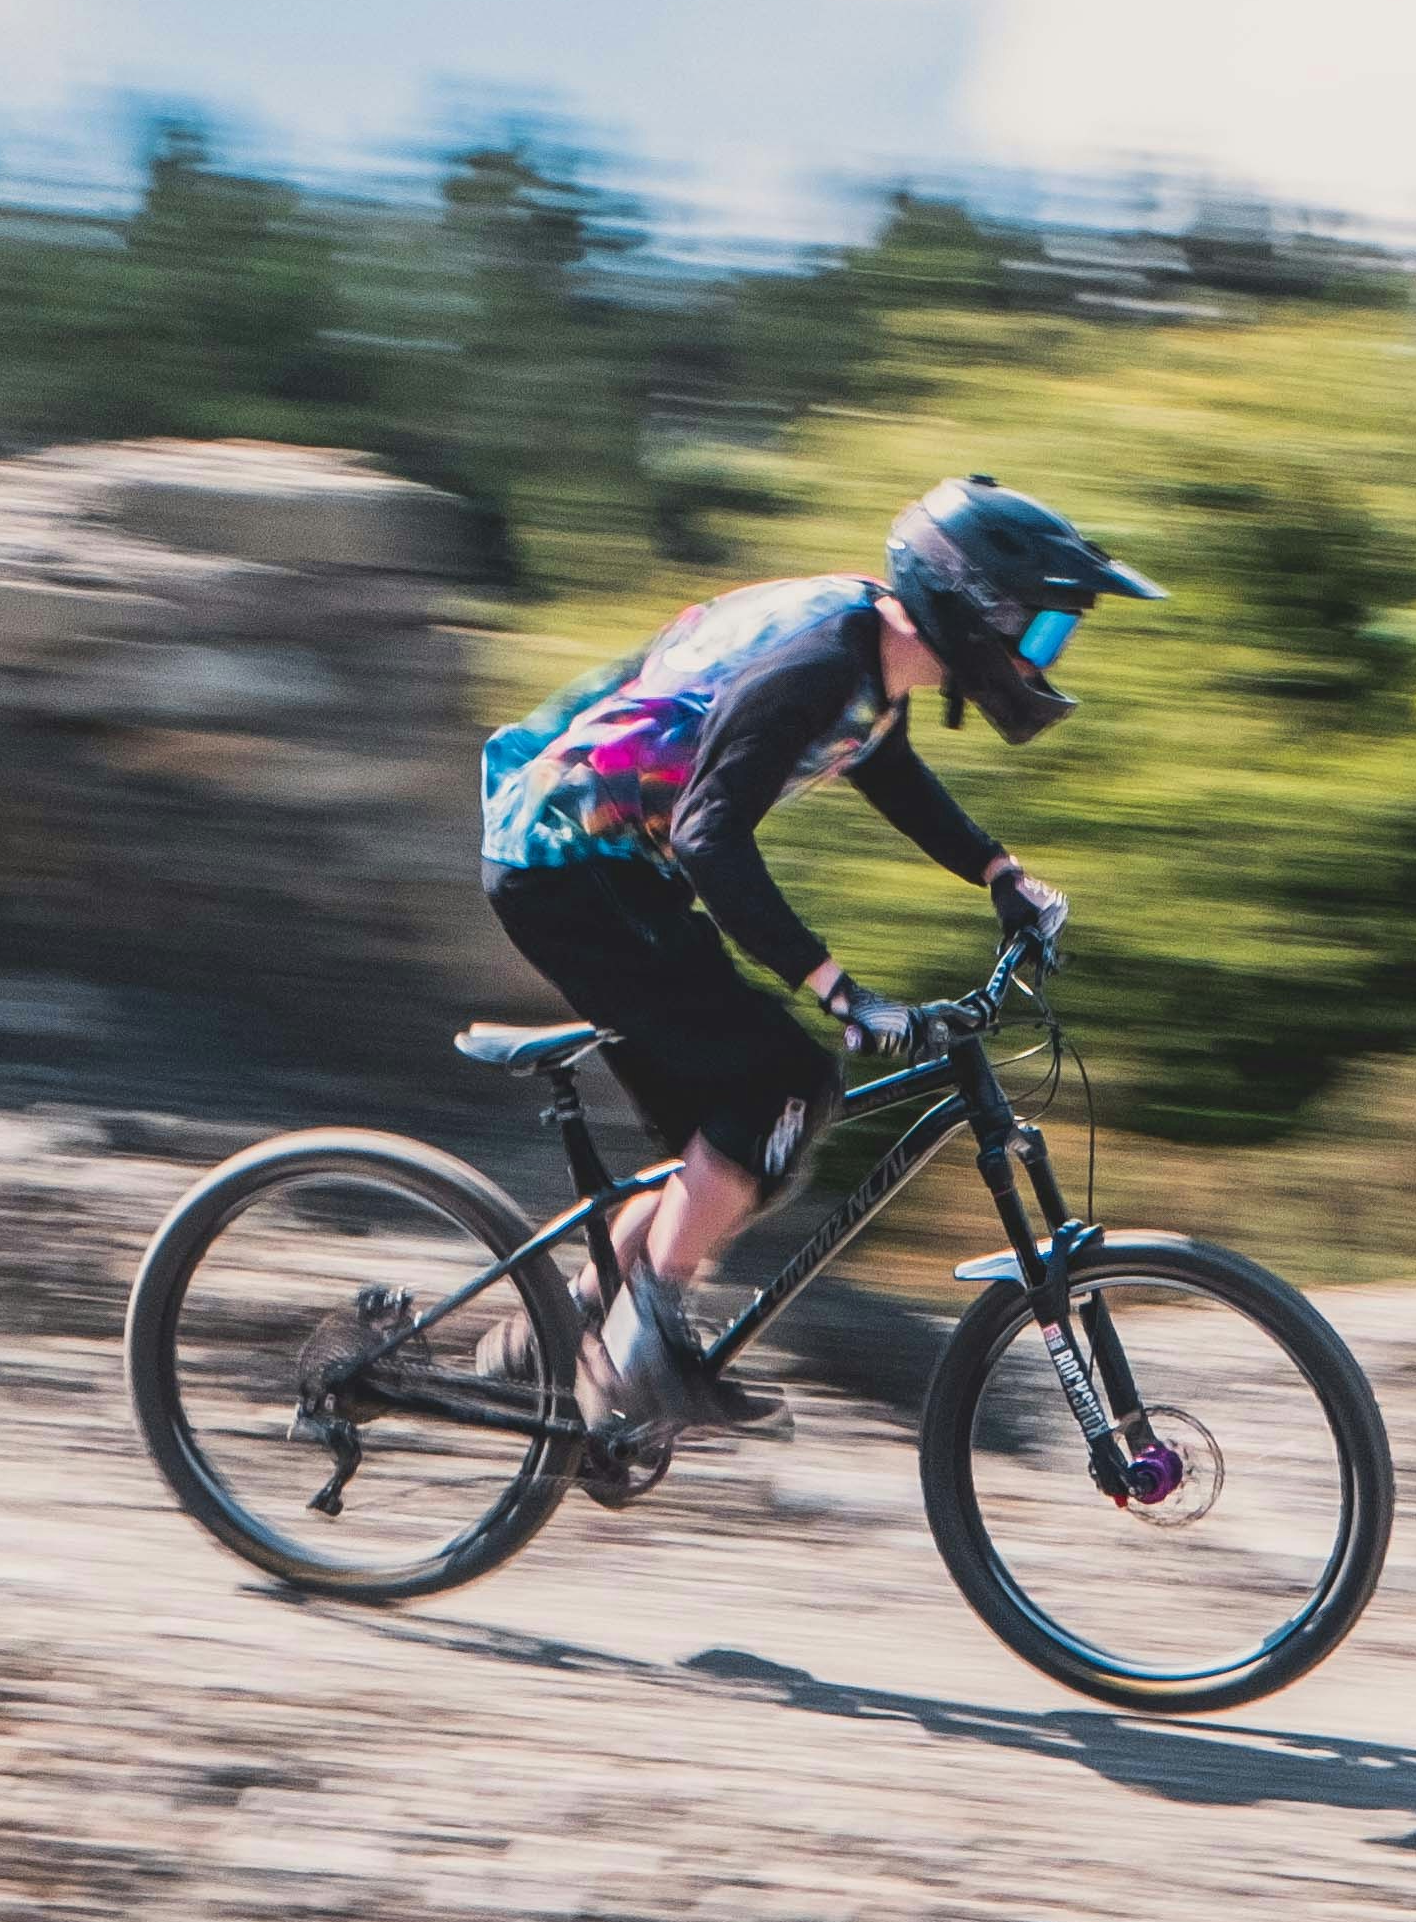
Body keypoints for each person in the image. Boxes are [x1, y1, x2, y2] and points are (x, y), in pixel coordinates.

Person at [475, 475, 1159, 1448]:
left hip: (616, 866)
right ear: (973, 607)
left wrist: (999, 873)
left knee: (738, 1142)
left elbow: (884, 766)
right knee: (782, 1084)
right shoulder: (819, 660)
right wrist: (839, 990)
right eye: (1040, 632)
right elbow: (713, 836)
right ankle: (641, 1349)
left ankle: (562, 1330)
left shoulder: (873, 660)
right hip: (568, 868)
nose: (1042, 657)